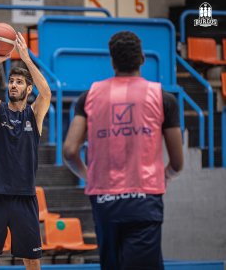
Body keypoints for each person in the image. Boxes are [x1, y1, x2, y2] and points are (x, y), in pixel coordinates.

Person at [63, 31, 184, 270]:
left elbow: (69, 151)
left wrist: (90, 177)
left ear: (112, 61)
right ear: (142, 59)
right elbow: (178, 163)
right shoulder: (163, 98)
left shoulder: (88, 97)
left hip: (104, 199)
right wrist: (164, 176)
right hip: (145, 199)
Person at [0, 32, 51, 270]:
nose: (13, 85)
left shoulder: (34, 114)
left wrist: (27, 59)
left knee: (32, 260)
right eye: (11, 81)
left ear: (28, 89)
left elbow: (46, 93)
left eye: (19, 82)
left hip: (24, 197)